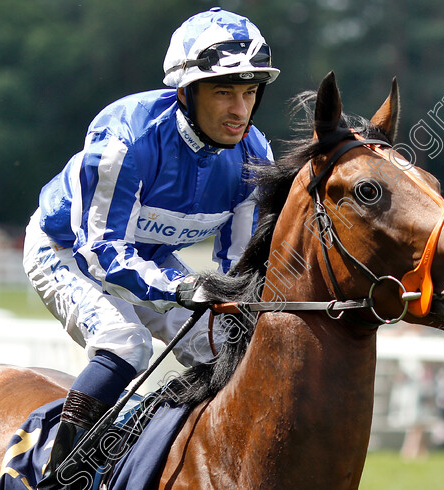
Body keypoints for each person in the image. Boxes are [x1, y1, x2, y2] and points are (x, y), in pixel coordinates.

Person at [21, 8, 280, 485]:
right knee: (127, 344)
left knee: (226, 348)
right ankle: (61, 478)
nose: (239, 110)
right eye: (223, 91)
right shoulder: (126, 138)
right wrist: (181, 288)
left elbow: (237, 263)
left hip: (152, 266)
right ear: (186, 93)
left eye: (249, 92)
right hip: (67, 253)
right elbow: (100, 252)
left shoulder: (252, 154)